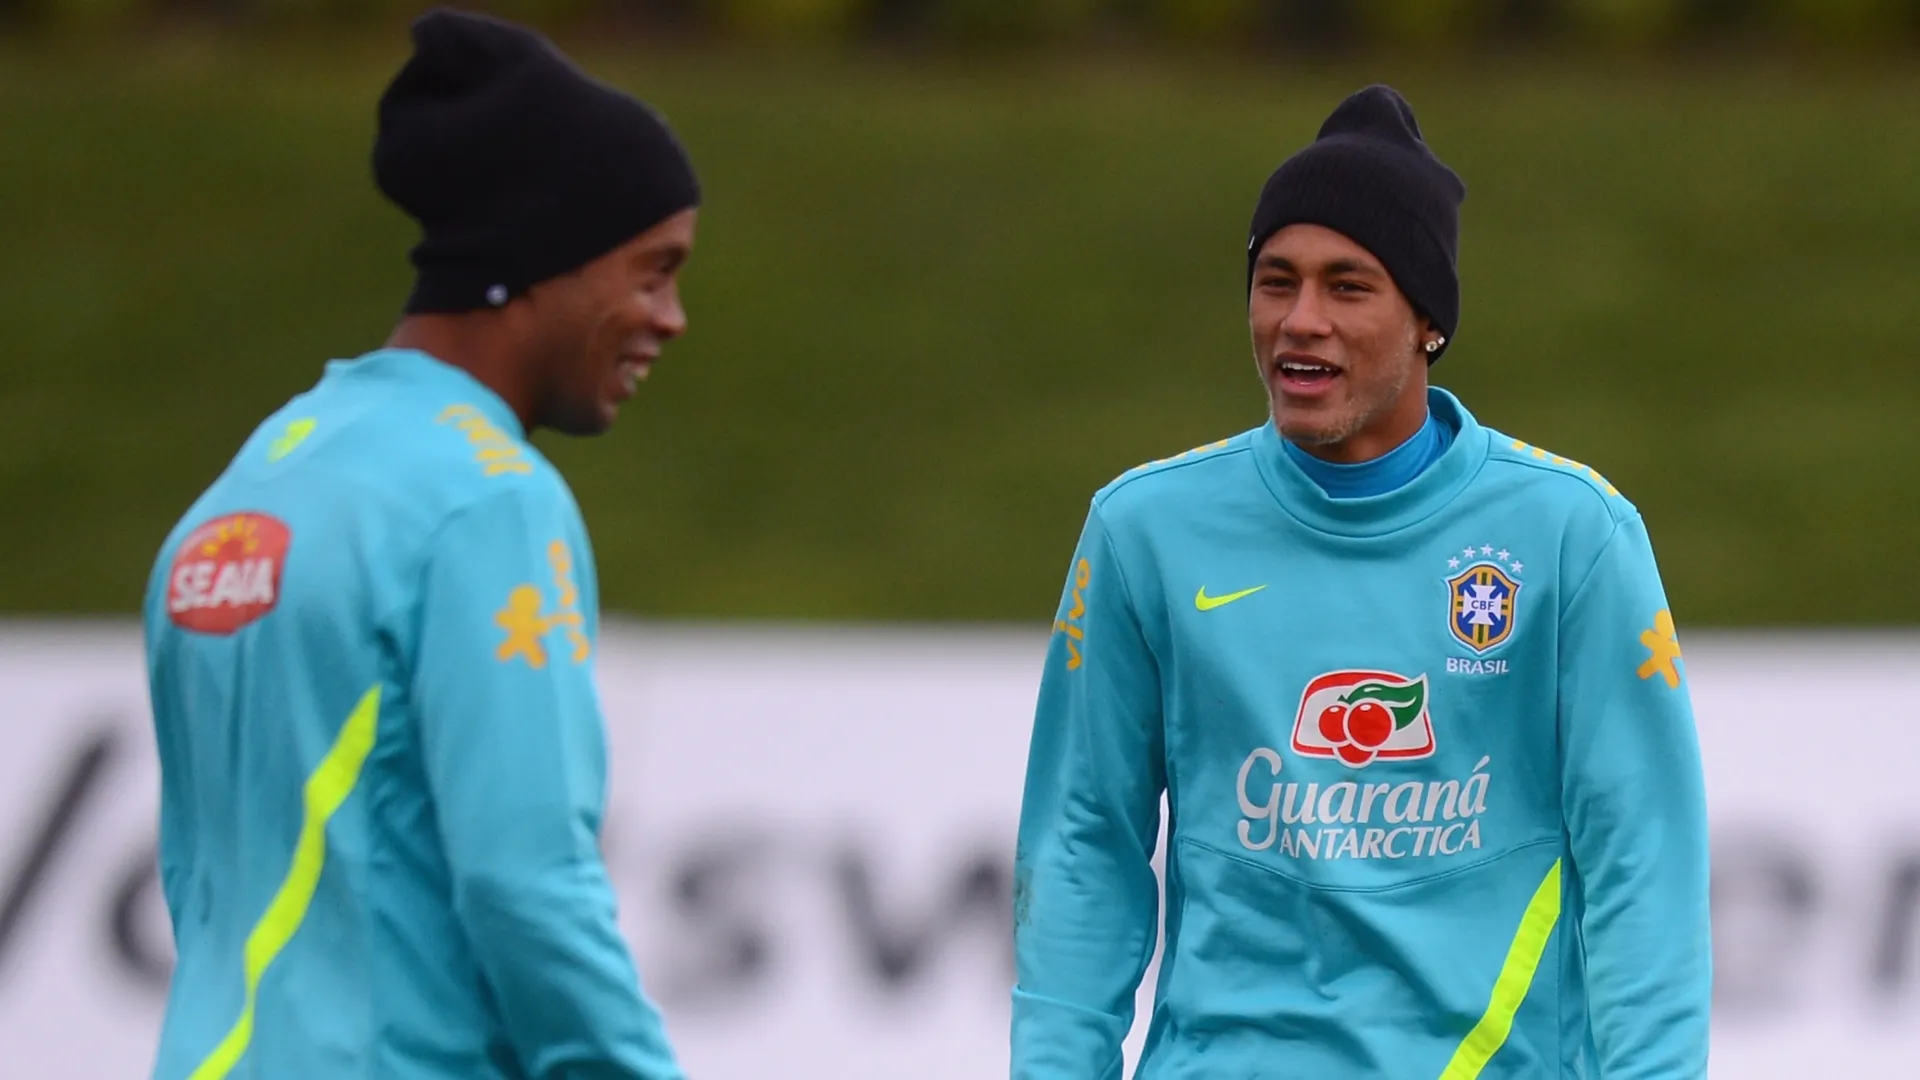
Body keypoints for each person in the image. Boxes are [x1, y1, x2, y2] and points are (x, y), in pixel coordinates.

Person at [1010, 84, 1711, 1078]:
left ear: (1427, 318)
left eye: (1347, 286)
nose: (1301, 321)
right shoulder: (1144, 532)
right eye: (1276, 282)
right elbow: (1084, 845)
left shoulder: (1570, 536)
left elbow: (1644, 859)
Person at [140, 9, 697, 1078]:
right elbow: (528, 883)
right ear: (546, 255)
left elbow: (200, 878)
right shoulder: (487, 500)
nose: (671, 317)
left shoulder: (250, 487)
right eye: (651, 270)